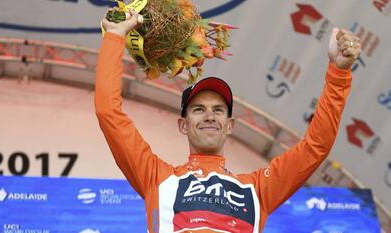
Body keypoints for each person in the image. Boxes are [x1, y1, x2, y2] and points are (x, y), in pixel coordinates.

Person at [95, 10, 361, 233]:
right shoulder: (156, 177)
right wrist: (116, 38)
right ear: (183, 125)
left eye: (218, 110)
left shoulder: (258, 189)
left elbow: (316, 146)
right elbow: (109, 113)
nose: (210, 115)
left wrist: (338, 72)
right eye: (198, 109)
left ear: (230, 125)